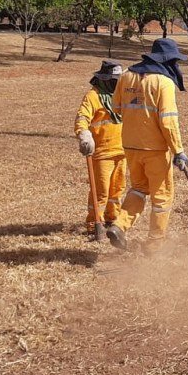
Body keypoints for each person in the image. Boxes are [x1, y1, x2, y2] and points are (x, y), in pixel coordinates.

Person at [108, 38, 188, 253]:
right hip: (155, 149)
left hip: (130, 146)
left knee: (139, 189)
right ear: (168, 60)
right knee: (162, 197)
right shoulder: (163, 83)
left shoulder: (125, 76)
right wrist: (178, 151)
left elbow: (116, 108)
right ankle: (154, 245)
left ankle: (119, 225)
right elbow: (169, 121)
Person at [74, 60, 126, 240]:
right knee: (101, 191)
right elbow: (82, 117)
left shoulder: (121, 95)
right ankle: (94, 223)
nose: (117, 83)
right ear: (104, 79)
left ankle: (112, 219)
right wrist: (84, 134)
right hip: (102, 153)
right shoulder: (93, 96)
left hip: (121, 150)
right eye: (114, 80)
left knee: (118, 189)